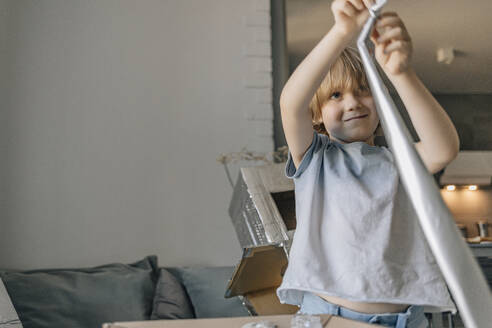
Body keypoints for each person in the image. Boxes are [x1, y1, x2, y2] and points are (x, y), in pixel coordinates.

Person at [276, 1, 460, 327]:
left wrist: (400, 73)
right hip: (330, 317)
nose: (353, 103)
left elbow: (442, 148)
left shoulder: (397, 160)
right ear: (316, 114)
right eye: (336, 95)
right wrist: (343, 30)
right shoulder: (315, 158)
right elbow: (291, 104)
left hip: (407, 319)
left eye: (364, 91)